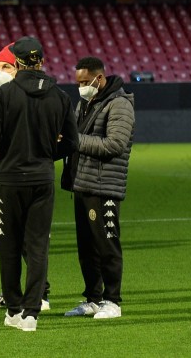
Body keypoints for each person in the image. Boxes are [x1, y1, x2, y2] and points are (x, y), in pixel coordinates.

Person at [0, 36, 78, 332]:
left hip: (8, 180)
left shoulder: (3, 95)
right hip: (42, 180)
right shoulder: (61, 97)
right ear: (42, 61)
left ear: (18, 62)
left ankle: (14, 309)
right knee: (38, 247)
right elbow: (72, 142)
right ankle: (32, 313)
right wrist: (48, 155)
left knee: (9, 246)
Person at [62, 56, 134, 320]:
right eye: (78, 83)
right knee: (87, 247)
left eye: (85, 82)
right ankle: (92, 299)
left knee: (107, 245)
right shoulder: (85, 103)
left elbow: (114, 144)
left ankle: (112, 301)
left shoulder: (120, 104)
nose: (81, 87)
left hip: (104, 185)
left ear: (99, 78)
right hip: (83, 183)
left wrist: (74, 139)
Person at [0, 43, 50, 311]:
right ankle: (34, 294)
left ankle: (32, 295)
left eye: (6, 66)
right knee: (27, 240)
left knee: (18, 240)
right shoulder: (30, 94)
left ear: (18, 67)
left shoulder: (8, 96)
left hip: (13, 176)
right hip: (34, 173)